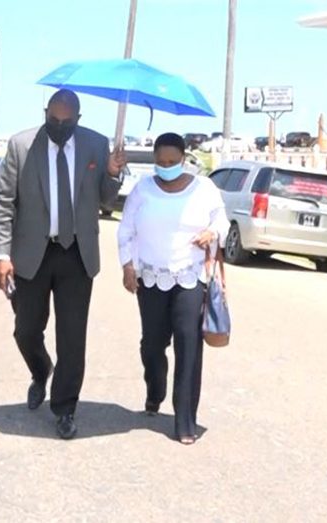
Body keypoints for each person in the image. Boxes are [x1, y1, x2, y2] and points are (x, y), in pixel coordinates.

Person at [0, 89, 125, 440]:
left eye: (67, 122)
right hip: (31, 253)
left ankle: (65, 408)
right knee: (26, 329)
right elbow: (4, 200)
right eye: (54, 120)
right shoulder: (22, 146)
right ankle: (40, 369)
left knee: (72, 337)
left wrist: (112, 174)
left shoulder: (96, 145)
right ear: (45, 113)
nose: (59, 126)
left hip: (77, 254)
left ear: (78, 120)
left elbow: (106, 201)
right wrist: (1, 254)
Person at [117, 133, 230, 445]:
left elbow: (223, 221)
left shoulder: (204, 189)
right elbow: (126, 230)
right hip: (150, 279)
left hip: (190, 279)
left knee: (189, 345)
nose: (166, 167)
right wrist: (128, 266)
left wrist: (211, 232)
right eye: (160, 162)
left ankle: (185, 420)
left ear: (184, 159)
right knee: (152, 345)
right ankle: (155, 389)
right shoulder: (142, 189)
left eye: (172, 162)